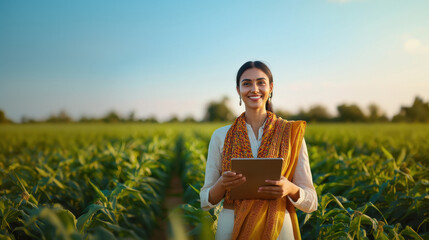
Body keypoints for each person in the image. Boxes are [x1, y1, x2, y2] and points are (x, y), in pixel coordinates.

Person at [200, 61, 318, 240]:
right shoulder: (220, 136)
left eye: (261, 82)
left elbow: (311, 202)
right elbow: (205, 201)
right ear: (238, 90)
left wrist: (289, 188)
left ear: (271, 87)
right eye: (247, 83)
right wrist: (222, 184)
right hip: (231, 227)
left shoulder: (291, 134)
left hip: (278, 229)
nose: (254, 89)